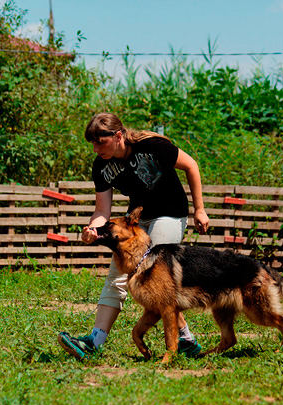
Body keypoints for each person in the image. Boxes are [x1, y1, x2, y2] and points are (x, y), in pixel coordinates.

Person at [58, 113, 210, 360]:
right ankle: (94, 342)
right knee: (117, 274)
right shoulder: (102, 166)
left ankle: (184, 339)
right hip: (136, 221)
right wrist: (93, 230)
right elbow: (102, 211)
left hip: (170, 214)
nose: (96, 149)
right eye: (92, 144)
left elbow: (191, 165)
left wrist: (200, 209)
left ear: (118, 136)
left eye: (100, 142)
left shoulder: (151, 146)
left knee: (157, 279)